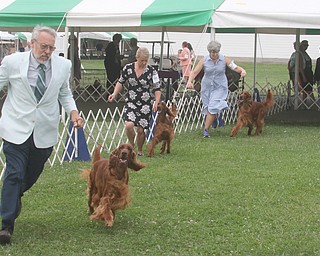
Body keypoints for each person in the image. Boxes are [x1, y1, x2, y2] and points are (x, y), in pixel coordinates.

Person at [0, 25, 84, 245]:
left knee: (30, 175)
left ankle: (13, 196)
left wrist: (73, 112)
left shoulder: (63, 66)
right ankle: (6, 224)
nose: (47, 51)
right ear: (32, 43)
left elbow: (65, 93)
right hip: (15, 127)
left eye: (51, 48)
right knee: (14, 173)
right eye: (44, 46)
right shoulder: (12, 63)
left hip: (44, 131)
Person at [186, 40, 247, 138]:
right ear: (209, 52)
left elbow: (235, 67)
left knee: (213, 106)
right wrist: (189, 81)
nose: (214, 54)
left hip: (220, 87)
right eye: (212, 52)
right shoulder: (204, 60)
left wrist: (242, 70)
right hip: (207, 87)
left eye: (216, 52)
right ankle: (213, 120)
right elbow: (195, 72)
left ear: (219, 51)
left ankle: (206, 130)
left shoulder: (224, 59)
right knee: (208, 107)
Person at [108, 47, 161, 156]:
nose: (144, 62)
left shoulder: (152, 71)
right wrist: (114, 93)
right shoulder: (128, 68)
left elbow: (157, 88)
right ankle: (131, 145)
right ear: (136, 58)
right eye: (142, 60)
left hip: (145, 104)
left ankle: (140, 150)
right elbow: (120, 82)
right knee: (129, 125)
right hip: (131, 101)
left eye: (146, 60)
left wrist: (157, 101)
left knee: (141, 130)